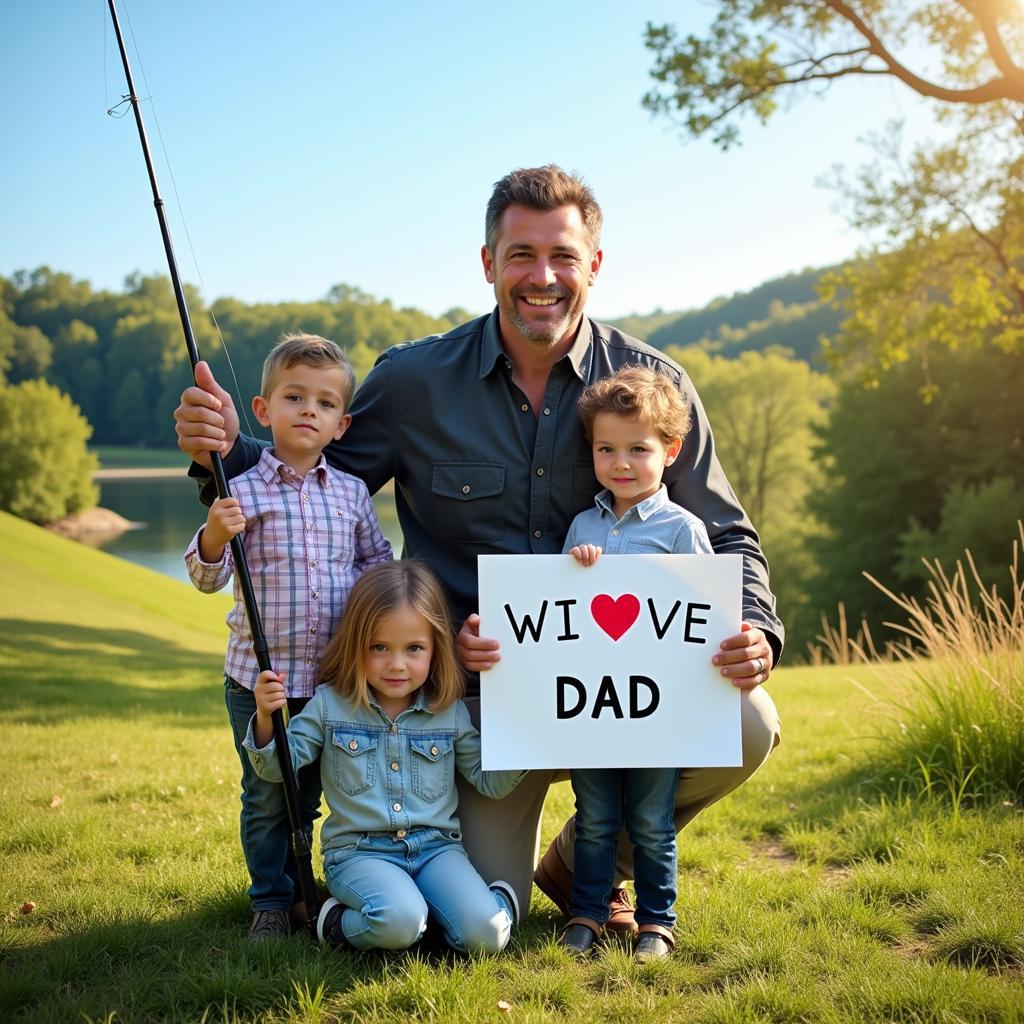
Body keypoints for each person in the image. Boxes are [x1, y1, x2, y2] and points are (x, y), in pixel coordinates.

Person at [174, 165, 783, 928]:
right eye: (520, 254)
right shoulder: (416, 382)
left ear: (594, 265)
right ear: (488, 263)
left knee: (751, 721)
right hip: (473, 706)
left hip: (622, 685)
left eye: (563, 255)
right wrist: (223, 454)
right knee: (487, 911)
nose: (543, 276)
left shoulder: (651, 386)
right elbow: (313, 480)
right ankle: (500, 866)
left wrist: (755, 629)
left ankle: (589, 861)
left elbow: (726, 534)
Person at [184, 333, 392, 941]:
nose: (309, 410)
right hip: (260, 681)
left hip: (328, 682)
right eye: (294, 397)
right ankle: (271, 901)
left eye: (325, 404)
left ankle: (306, 889)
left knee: (310, 796)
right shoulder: (239, 490)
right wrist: (215, 536)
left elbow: (374, 567)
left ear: (341, 423)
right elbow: (205, 576)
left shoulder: (352, 495)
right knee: (266, 794)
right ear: (261, 410)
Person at [244, 560, 524, 953]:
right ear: (357, 644)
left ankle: (489, 903)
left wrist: (527, 739)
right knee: (400, 923)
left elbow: (489, 782)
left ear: (435, 648)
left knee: (486, 936)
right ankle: (335, 920)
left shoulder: (449, 711)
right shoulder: (330, 706)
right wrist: (264, 718)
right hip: (359, 854)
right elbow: (276, 771)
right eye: (379, 647)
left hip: (436, 850)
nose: (397, 664)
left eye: (414, 649)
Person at [555, 365, 714, 961]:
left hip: (656, 707)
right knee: (594, 816)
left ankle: (656, 921)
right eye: (606, 449)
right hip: (592, 703)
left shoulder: (684, 530)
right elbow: (560, 610)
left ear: (669, 452)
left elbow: (702, 615)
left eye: (638, 450)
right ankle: (588, 914)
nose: (621, 463)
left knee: (650, 821)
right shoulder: (582, 525)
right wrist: (578, 565)